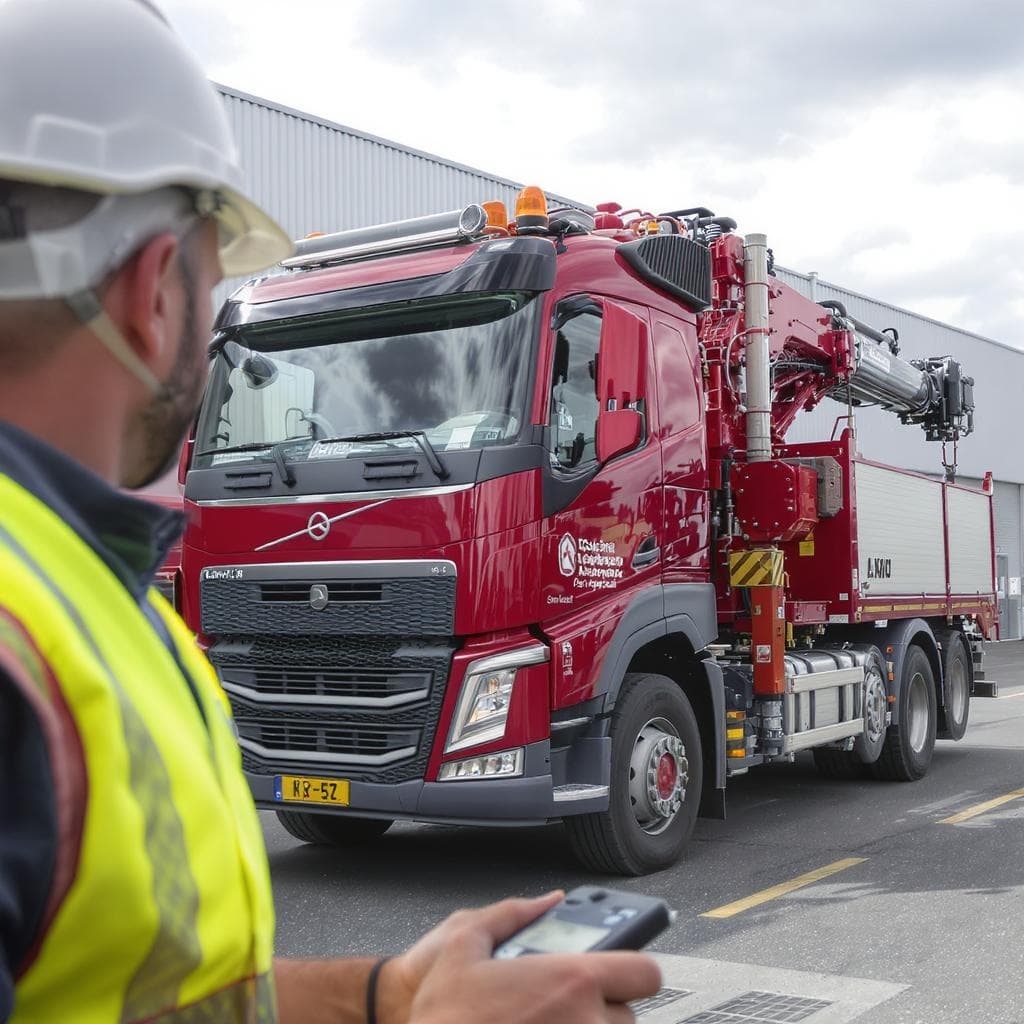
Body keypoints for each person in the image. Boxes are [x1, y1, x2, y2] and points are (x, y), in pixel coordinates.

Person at [0, 0, 662, 1021]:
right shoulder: (33, 634)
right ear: (157, 288)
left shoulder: (80, 591)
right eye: (219, 282)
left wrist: (382, 994)